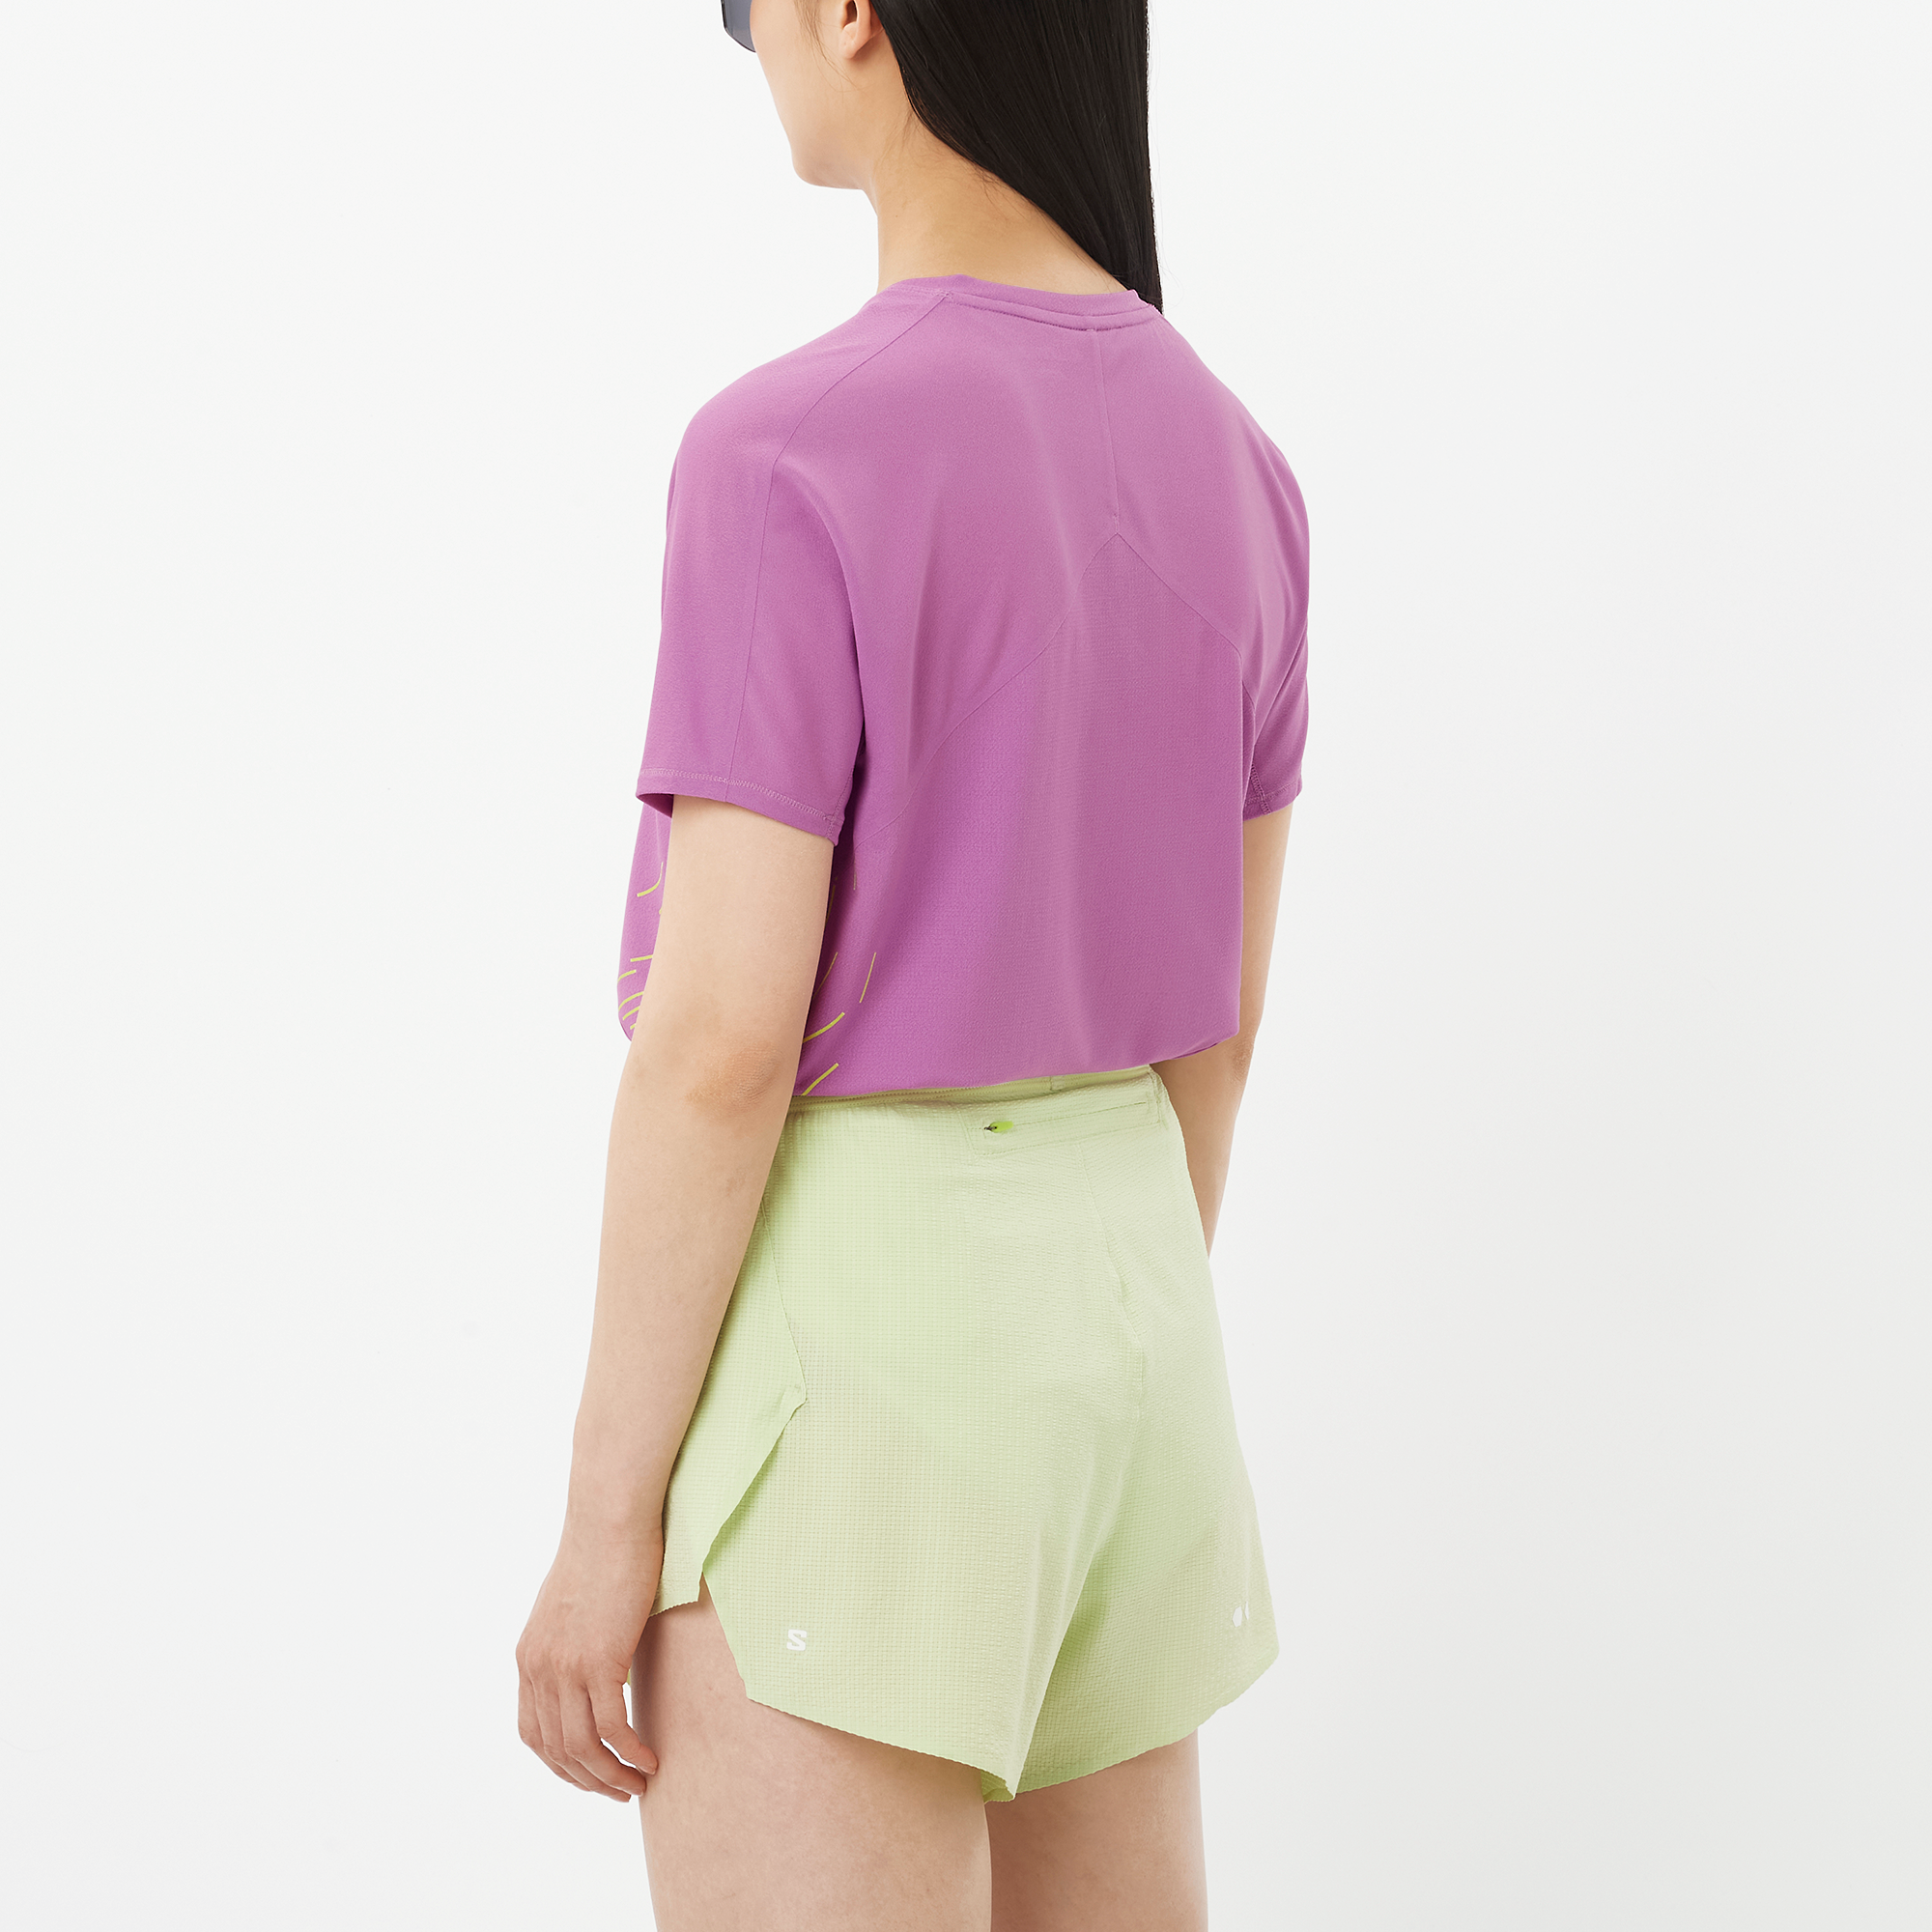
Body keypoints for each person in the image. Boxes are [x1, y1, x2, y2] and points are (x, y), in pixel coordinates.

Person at [514, 1, 1309, 1924]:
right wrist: (1074, 1350)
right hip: (1131, 1330)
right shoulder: (1237, 460)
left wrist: (604, 1532)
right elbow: (1218, 1029)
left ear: (854, 12)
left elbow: (719, 1041)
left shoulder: (790, 449)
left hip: (871, 1360)